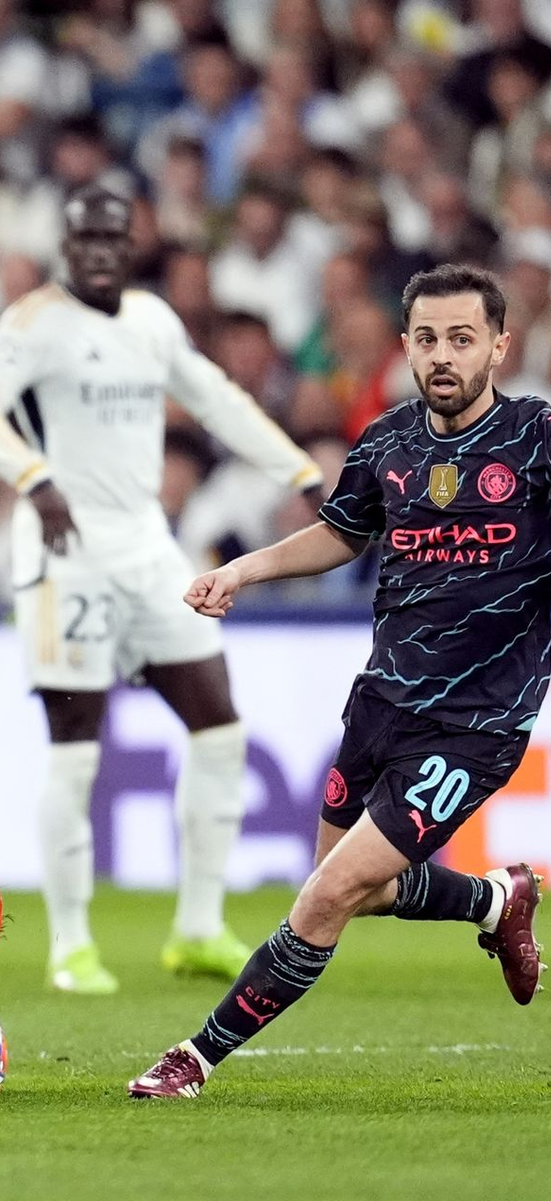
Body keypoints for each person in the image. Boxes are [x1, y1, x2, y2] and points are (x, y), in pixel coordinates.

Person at [130, 263, 545, 1100]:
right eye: (427, 338)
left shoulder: (537, 440)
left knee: (326, 894)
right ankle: (496, 903)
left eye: (462, 338)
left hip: (476, 724)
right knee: (359, 887)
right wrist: (244, 571)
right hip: (379, 703)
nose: (442, 355)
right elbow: (339, 533)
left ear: (500, 346)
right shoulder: (389, 441)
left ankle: (195, 1056)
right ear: (404, 345)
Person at [0, 183, 324, 993]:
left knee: (218, 723)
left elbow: (216, 398)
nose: (97, 252)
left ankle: (196, 926)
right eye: (82, 238)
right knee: (77, 746)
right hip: (64, 551)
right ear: (65, 244)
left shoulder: (152, 320)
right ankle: (71, 944)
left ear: (132, 243)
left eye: (111, 238)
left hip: (147, 544)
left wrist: (300, 470)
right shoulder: (35, 321)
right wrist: (35, 477)